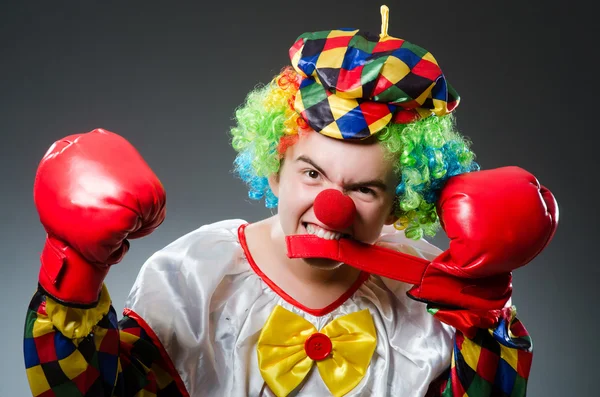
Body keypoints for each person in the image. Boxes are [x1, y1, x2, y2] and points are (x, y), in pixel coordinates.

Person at [23, 6, 558, 397]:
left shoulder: (430, 290)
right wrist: (75, 270)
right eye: (311, 173)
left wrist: (489, 319)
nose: (332, 209)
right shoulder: (195, 276)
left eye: (364, 188)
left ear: (399, 202)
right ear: (274, 171)